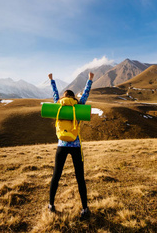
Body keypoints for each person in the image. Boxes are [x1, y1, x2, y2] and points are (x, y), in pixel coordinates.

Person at [47, 72, 94, 220]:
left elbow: (54, 93)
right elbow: (85, 94)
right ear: (73, 97)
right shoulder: (78, 106)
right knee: (80, 177)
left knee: (56, 175)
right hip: (75, 145)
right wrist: (90, 80)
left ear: (63, 97)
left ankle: (51, 205)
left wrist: (52, 80)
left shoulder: (58, 104)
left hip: (61, 145)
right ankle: (85, 208)